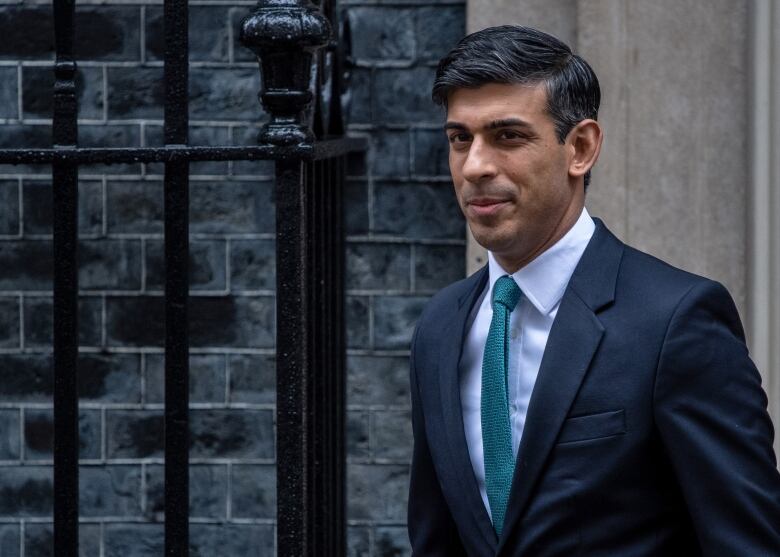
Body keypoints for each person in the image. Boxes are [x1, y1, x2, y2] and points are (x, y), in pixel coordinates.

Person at [407, 25, 780, 556]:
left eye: (508, 136)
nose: (475, 166)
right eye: (460, 138)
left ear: (580, 147)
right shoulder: (441, 327)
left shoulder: (675, 320)